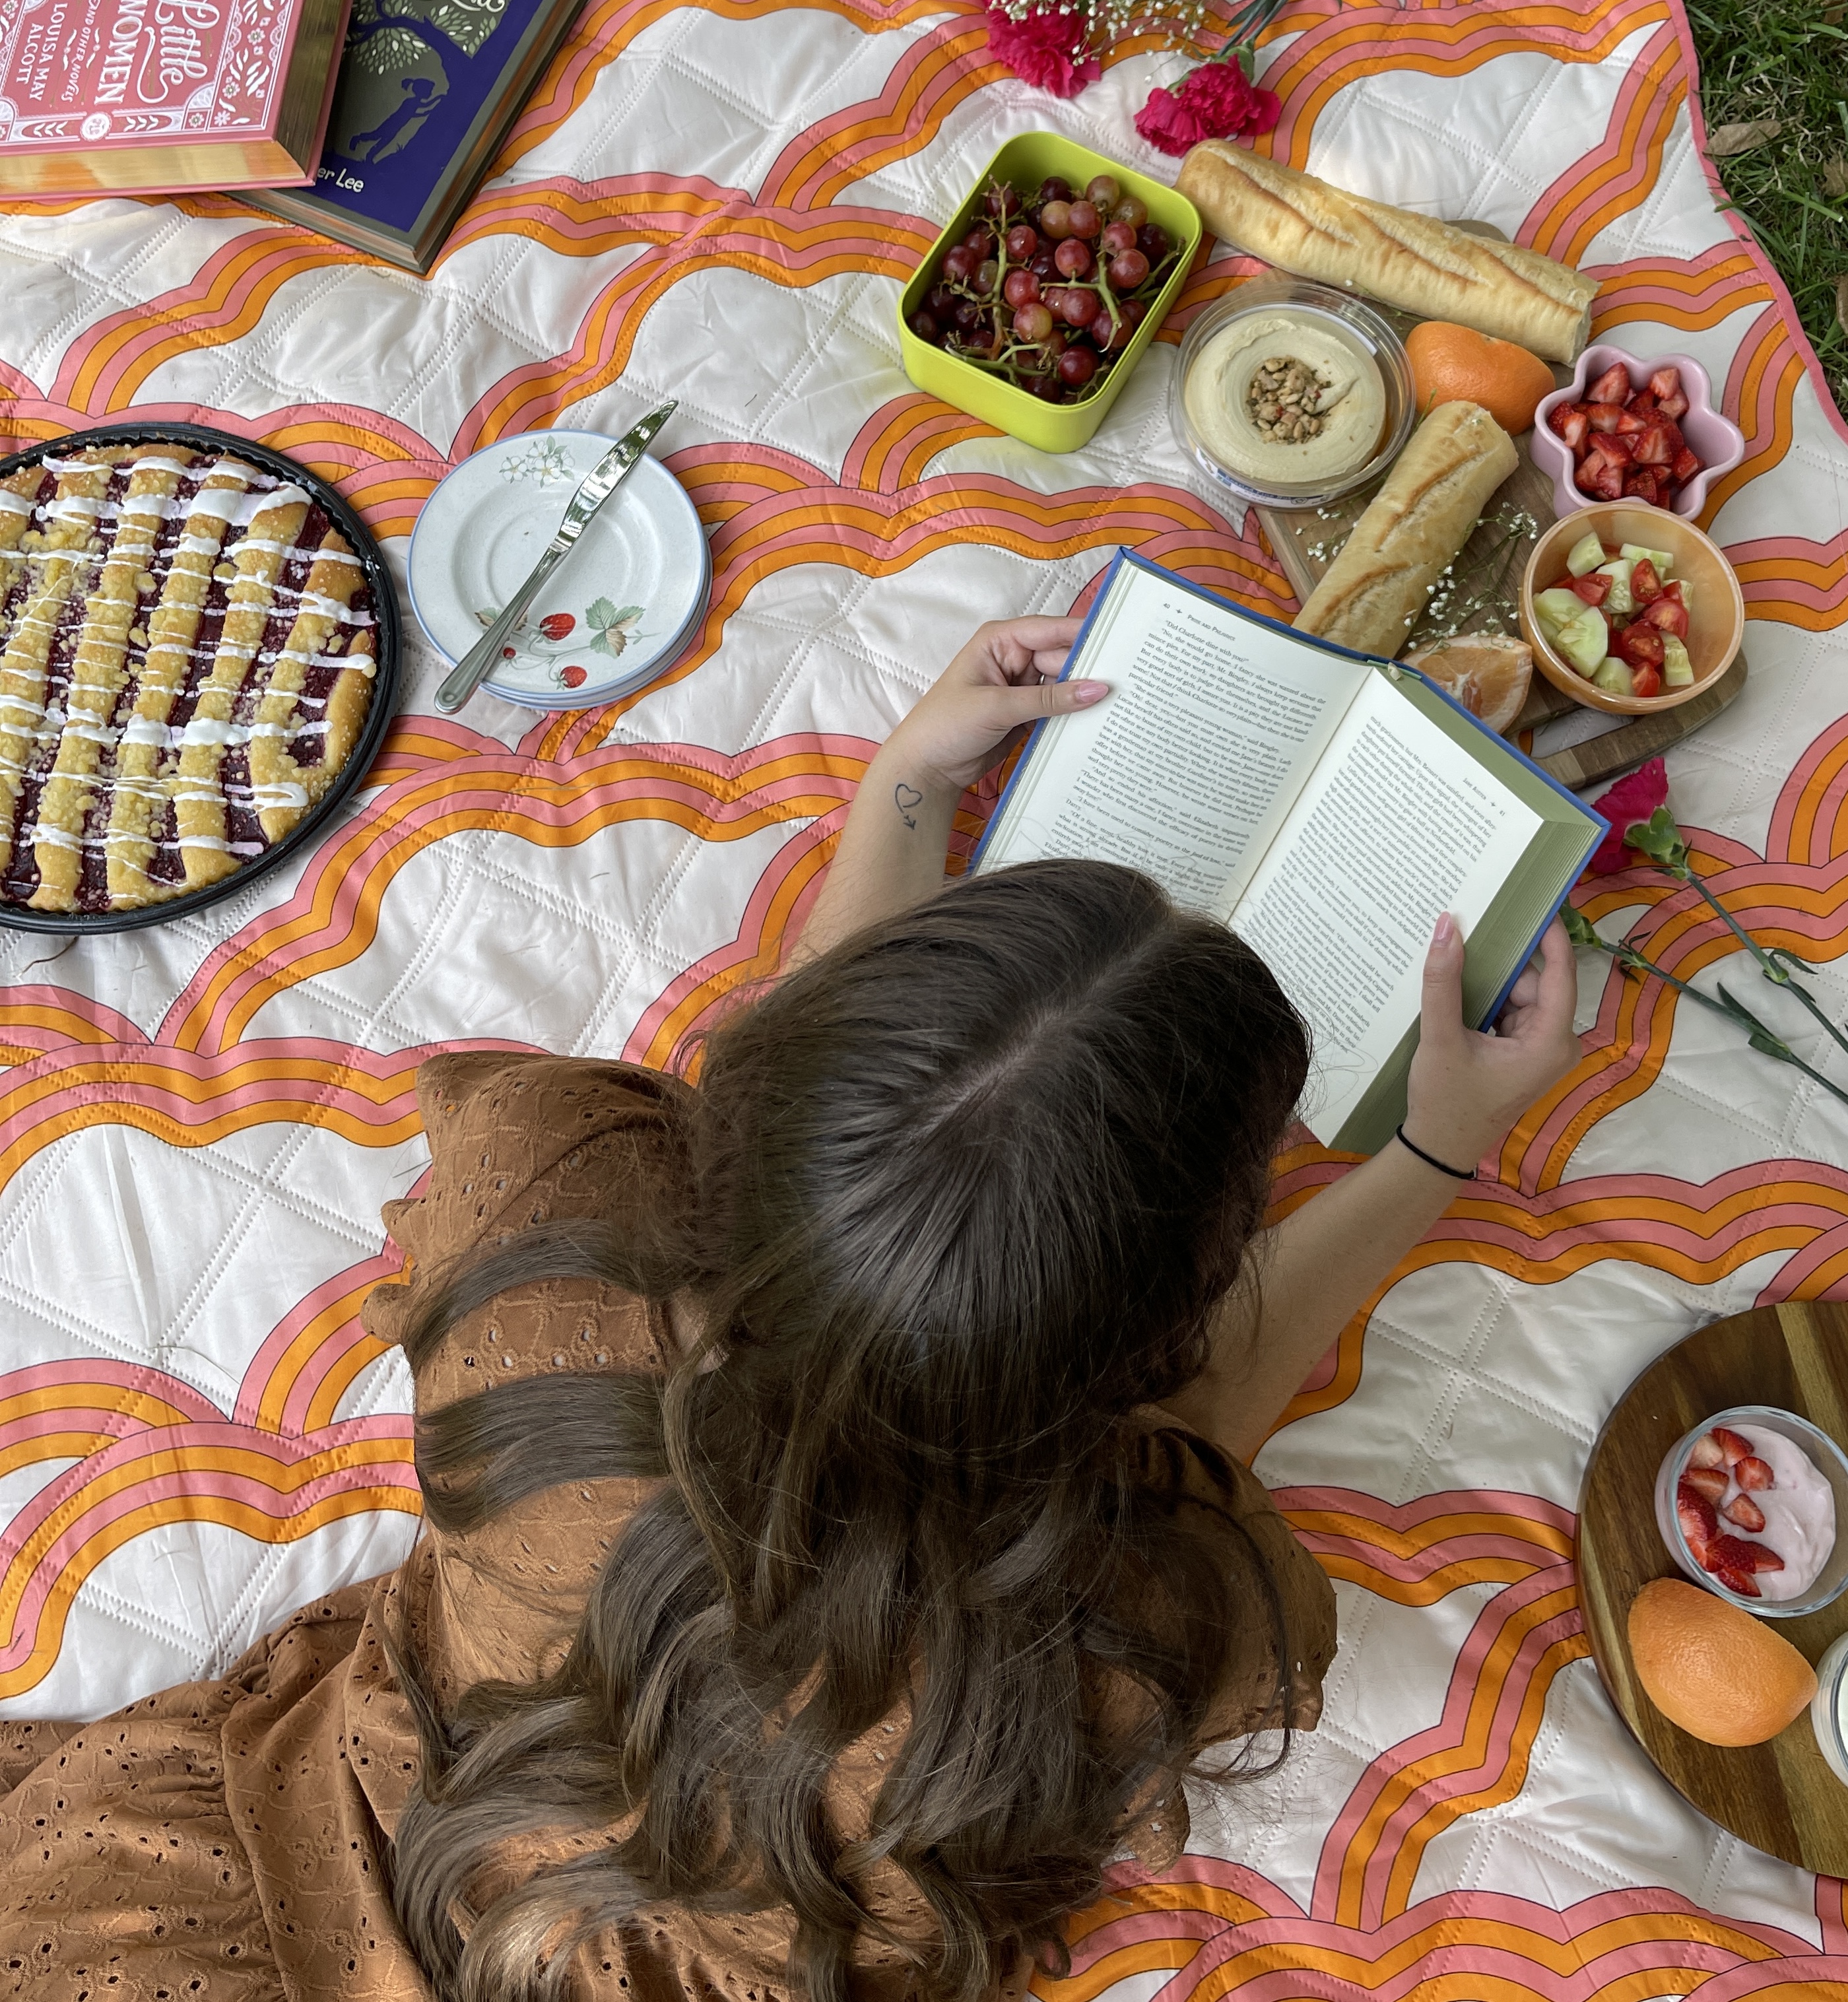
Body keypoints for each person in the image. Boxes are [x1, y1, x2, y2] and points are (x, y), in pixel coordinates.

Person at [0, 613, 1577, 2002]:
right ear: (1154, 1341)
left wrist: (904, 783)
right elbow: (1205, 1441)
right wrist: (1437, 1144)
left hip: (310, 1853)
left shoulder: (544, 1230)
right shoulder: (1132, 1612)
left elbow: (807, 1166)